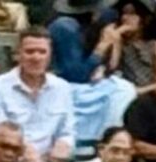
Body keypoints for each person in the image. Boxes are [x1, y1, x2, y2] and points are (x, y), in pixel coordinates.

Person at [0, 28, 75, 162]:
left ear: (50, 55)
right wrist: (27, 152)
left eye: (42, 52)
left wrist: (61, 147)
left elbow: (67, 132)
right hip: (13, 159)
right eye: (30, 51)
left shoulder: (63, 88)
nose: (36, 57)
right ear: (17, 55)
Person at [48, 0, 137, 143]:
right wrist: (103, 44)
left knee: (125, 88)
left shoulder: (98, 24)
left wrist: (116, 39)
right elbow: (77, 75)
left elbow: (111, 67)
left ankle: (108, 140)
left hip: (91, 85)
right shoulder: (64, 27)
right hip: (65, 87)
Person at [111, 0, 156, 93]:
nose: (125, 18)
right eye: (124, 13)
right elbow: (111, 69)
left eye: (132, 14)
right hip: (122, 94)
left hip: (149, 93)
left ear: (146, 19)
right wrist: (116, 39)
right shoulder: (115, 41)